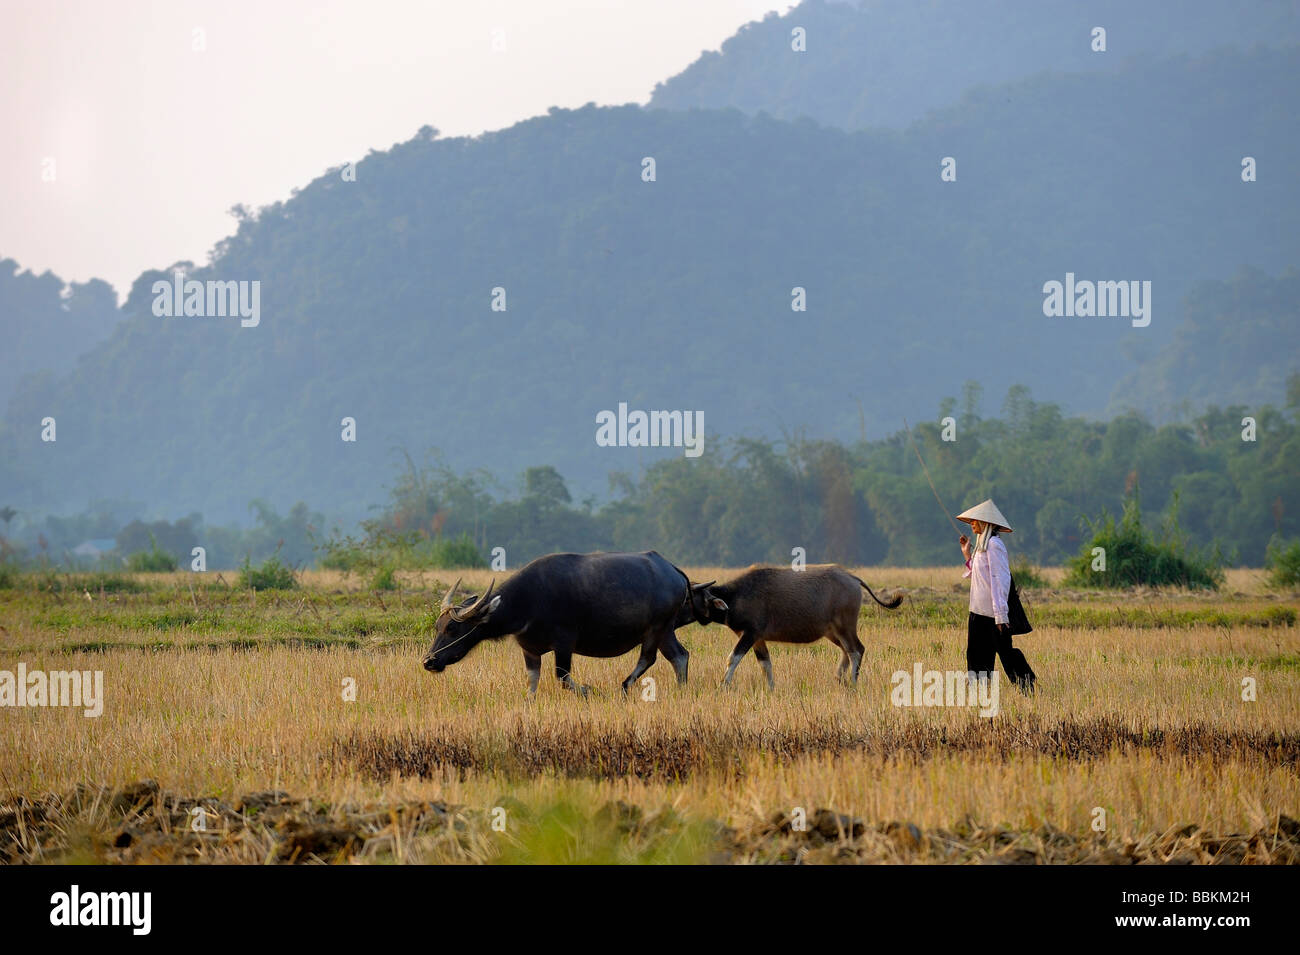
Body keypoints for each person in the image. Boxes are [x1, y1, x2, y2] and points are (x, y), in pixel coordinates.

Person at [957, 499, 1036, 694]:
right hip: (977, 612)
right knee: (976, 653)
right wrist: (967, 554)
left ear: (985, 522)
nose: (972, 524)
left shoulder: (994, 545)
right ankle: (979, 692)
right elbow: (978, 576)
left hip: (993, 614)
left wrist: (1001, 615)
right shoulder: (980, 547)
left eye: (975, 521)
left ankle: (1027, 686)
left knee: (1006, 654)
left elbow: (1000, 581)